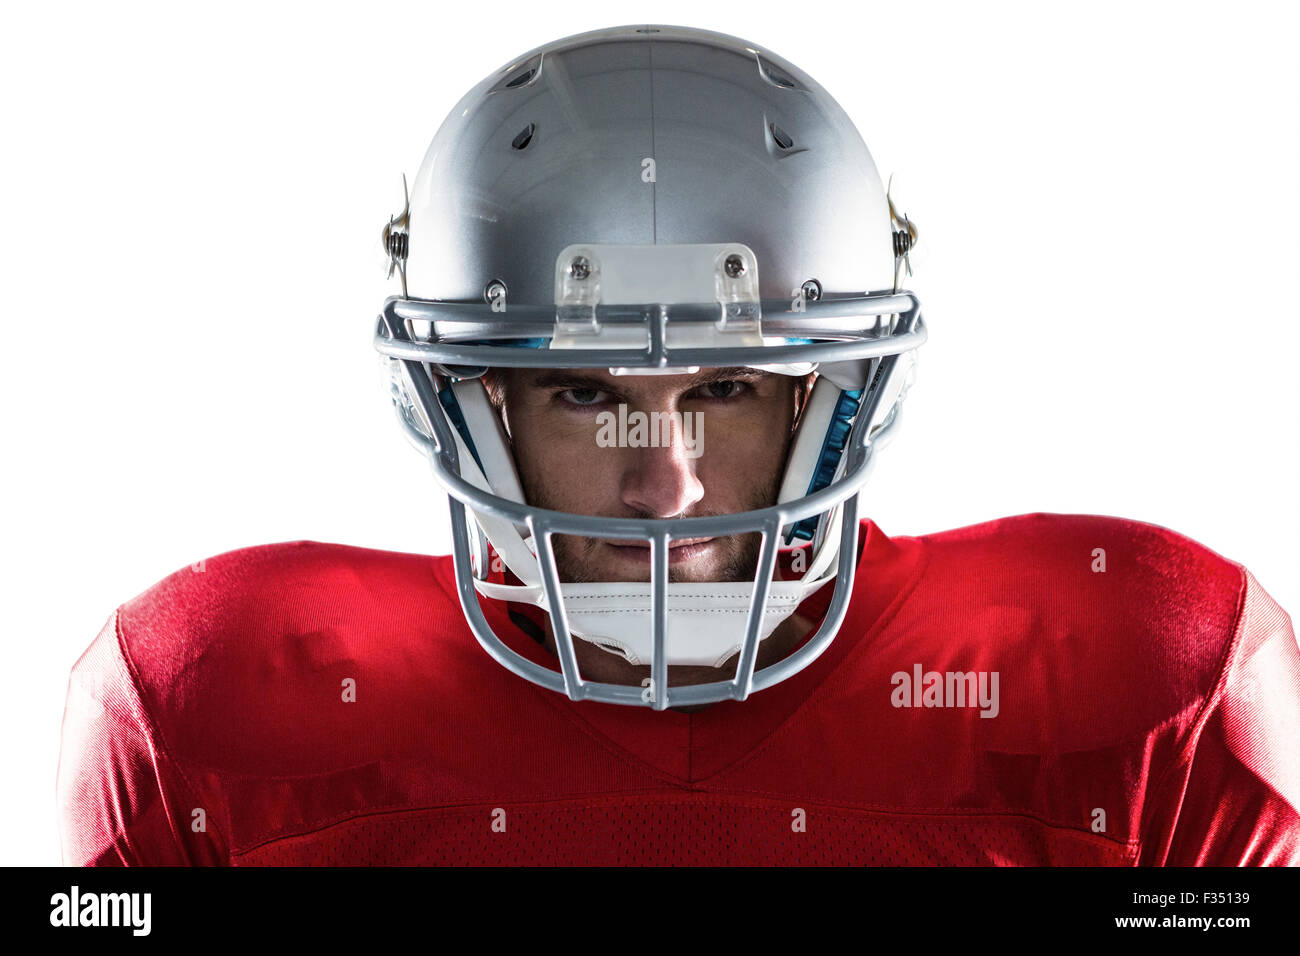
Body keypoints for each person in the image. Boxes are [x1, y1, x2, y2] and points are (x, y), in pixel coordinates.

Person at [57, 23, 1299, 866]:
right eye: (586, 396)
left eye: (727, 385)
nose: (669, 486)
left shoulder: (1143, 680)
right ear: (467, 406)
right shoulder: (211, 698)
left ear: (839, 398)